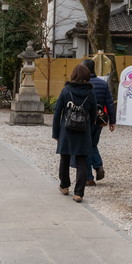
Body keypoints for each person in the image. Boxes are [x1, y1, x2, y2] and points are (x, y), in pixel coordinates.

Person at [53, 64, 97, 202]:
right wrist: (89, 129)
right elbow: (94, 114)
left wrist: (56, 133)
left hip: (66, 130)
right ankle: (79, 194)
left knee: (64, 158)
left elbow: (57, 112)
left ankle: (64, 186)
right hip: (83, 131)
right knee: (82, 161)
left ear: (73, 75)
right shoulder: (91, 93)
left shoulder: (66, 91)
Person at [82, 59, 115, 184]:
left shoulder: (83, 84)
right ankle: (98, 166)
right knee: (93, 144)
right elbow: (110, 103)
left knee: (85, 147)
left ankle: (89, 178)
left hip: (85, 120)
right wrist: (112, 120)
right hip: (100, 119)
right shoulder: (103, 84)